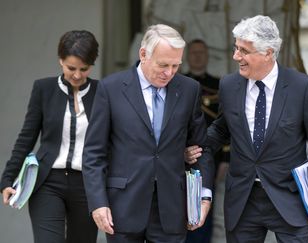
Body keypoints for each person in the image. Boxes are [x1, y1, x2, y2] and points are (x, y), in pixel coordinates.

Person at [186, 15, 308, 243]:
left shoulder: (302, 87)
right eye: (236, 48)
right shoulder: (229, 85)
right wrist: (197, 147)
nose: (236, 56)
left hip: (289, 198)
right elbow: (221, 129)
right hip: (243, 199)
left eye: (243, 51)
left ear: (268, 52)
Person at [82, 24, 213, 243]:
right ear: (143, 54)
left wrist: (204, 194)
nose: (169, 73)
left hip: (172, 207)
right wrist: (98, 202)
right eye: (163, 65)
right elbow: (94, 153)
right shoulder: (110, 88)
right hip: (122, 207)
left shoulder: (189, 89)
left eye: (175, 65)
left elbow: (201, 147)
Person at [0, 30, 99, 243]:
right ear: (60, 60)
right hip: (47, 182)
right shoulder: (43, 89)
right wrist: (7, 179)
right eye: (71, 68)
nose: (77, 75)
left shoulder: (103, 93)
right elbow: (26, 137)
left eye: (84, 69)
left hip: (87, 185)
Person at [184, 39, 230, 243]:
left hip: (211, 157)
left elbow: (225, 125)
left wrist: (226, 159)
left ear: (207, 55)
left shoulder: (219, 85)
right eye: (193, 52)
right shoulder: (178, 82)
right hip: (181, 157)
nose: (197, 56)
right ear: (186, 56)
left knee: (204, 206)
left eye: (201, 52)